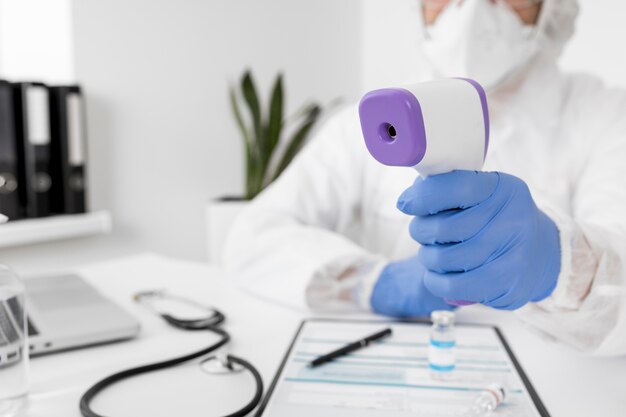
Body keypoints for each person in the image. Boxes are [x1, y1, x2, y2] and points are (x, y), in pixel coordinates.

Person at [223, 0, 626, 356]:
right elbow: (253, 236)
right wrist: (376, 283)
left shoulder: (604, 115)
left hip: (559, 385)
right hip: (405, 371)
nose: (470, 12)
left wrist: (556, 265)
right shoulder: (370, 124)